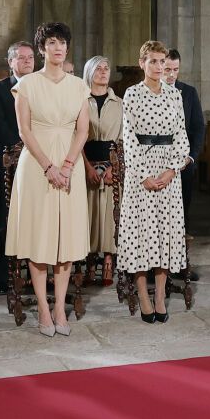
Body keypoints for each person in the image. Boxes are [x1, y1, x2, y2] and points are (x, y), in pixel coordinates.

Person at [8, 22, 91, 336]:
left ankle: (60, 309)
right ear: (41, 48)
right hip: (37, 167)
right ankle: (43, 308)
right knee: (39, 237)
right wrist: (49, 167)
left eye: (63, 43)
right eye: (52, 43)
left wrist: (68, 165)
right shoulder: (27, 84)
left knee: (65, 239)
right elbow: (24, 130)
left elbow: (83, 129)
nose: (58, 48)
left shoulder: (77, 86)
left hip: (70, 165)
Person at [119, 41, 190, 323]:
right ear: (142, 63)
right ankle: (143, 295)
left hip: (169, 171)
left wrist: (172, 170)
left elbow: (182, 135)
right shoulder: (132, 94)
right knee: (141, 234)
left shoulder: (175, 95)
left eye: (163, 62)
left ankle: (160, 295)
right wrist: (143, 176)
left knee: (165, 233)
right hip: (141, 172)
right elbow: (128, 138)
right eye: (153, 61)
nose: (159, 67)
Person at [0, 40, 36, 294]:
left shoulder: (41, 86)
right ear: (10, 62)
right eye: (21, 57)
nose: (27, 61)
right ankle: (2, 276)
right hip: (7, 164)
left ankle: (35, 272)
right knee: (7, 219)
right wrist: (22, 148)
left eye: (30, 57)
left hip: (39, 162)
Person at [81, 55, 122, 279]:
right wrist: (87, 167)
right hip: (86, 161)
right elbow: (75, 137)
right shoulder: (80, 100)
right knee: (88, 213)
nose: (103, 72)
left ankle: (108, 257)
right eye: (98, 69)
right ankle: (88, 257)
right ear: (89, 73)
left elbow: (124, 138)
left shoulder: (120, 103)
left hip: (111, 163)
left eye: (106, 68)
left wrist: (113, 167)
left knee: (108, 213)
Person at [163, 48, 205, 256]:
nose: (171, 74)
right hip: (157, 162)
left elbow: (198, 127)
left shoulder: (188, 93)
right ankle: (156, 263)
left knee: (182, 213)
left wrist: (191, 157)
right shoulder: (150, 92)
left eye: (176, 69)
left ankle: (180, 262)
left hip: (183, 164)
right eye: (168, 69)